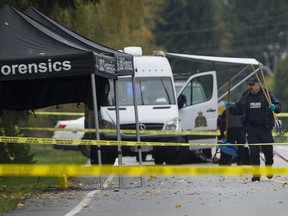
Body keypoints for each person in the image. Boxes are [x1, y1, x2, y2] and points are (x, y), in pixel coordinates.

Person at [225, 76, 281, 182]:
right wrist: (231, 107)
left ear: (258, 85)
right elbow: (238, 108)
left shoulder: (267, 94)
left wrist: (275, 107)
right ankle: (256, 174)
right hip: (251, 129)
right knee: (253, 152)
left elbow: (279, 106)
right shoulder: (245, 96)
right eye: (248, 85)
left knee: (268, 151)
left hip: (265, 128)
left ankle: (269, 167)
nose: (250, 87)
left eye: (252, 85)